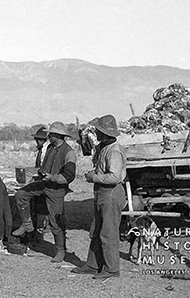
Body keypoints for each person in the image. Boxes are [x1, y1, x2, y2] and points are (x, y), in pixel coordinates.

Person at [12, 121, 76, 262]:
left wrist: (53, 177)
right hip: (44, 183)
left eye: (51, 134)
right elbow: (44, 168)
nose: (49, 136)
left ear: (57, 136)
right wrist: (37, 174)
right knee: (21, 194)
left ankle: (60, 250)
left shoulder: (69, 152)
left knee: (56, 221)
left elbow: (69, 176)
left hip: (56, 189)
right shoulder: (51, 148)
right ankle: (27, 224)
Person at [72, 114, 127, 279]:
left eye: (99, 131)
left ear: (106, 133)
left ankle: (111, 269)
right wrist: (94, 173)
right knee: (96, 230)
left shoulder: (114, 151)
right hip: (103, 192)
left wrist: (93, 177)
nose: (97, 134)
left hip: (110, 193)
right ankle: (93, 265)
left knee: (108, 232)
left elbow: (114, 177)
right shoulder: (104, 148)